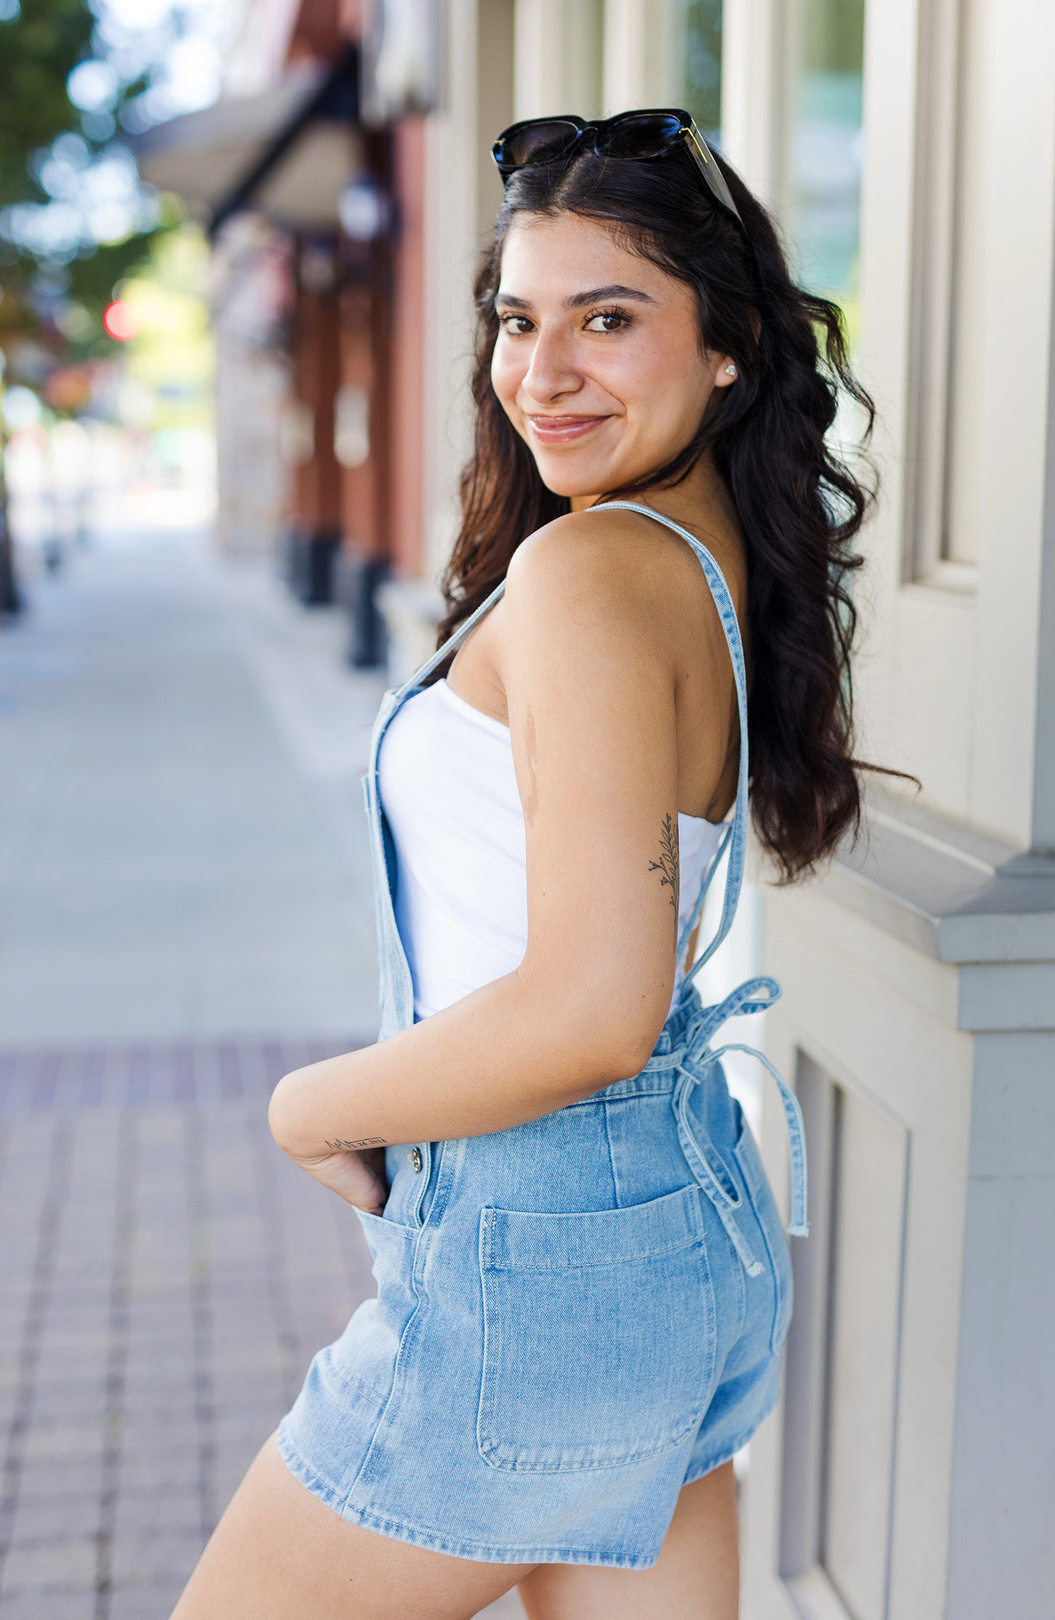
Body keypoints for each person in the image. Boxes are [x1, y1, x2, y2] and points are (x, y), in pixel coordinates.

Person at [171, 109, 875, 1620]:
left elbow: (588, 1009)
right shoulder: (691, 556)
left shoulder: (594, 572)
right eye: (517, 320)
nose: (542, 373)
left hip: (539, 1254)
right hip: (671, 1232)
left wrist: (314, 1105)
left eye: (607, 320)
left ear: (730, 344)